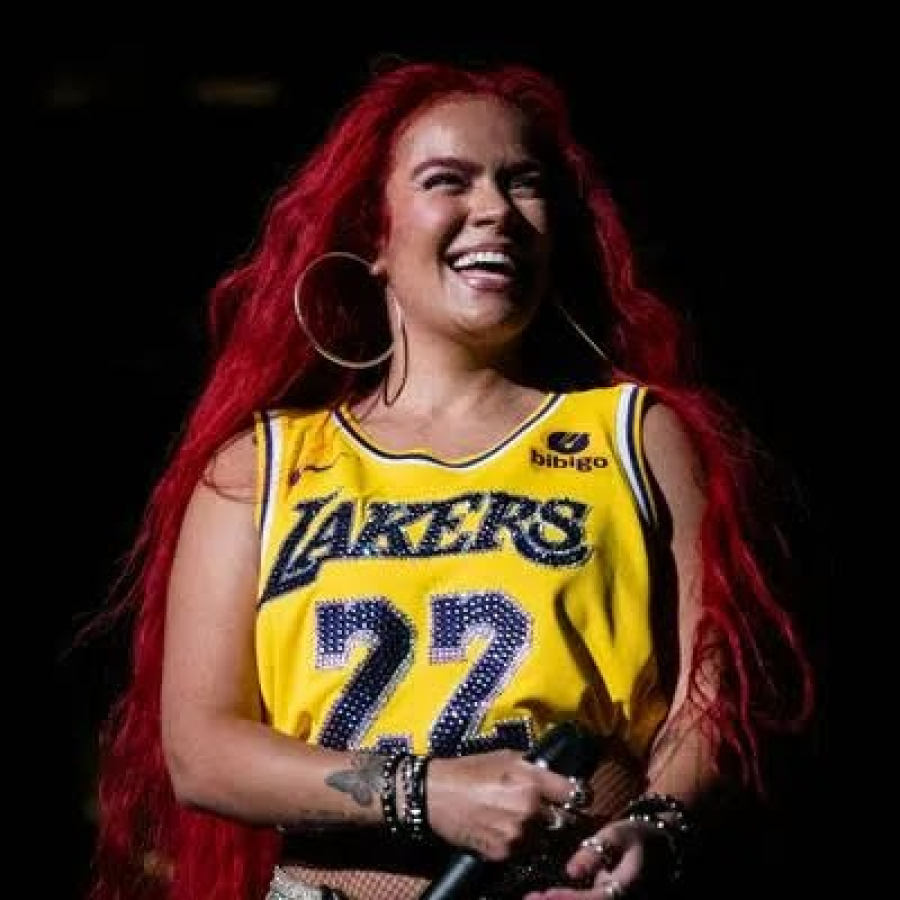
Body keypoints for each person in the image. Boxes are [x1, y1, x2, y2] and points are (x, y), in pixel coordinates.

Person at [87, 58, 815, 900]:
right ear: (374, 235)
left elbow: (713, 698)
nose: (496, 209)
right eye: (448, 180)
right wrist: (427, 793)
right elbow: (202, 752)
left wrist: (657, 826)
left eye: (524, 183)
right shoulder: (260, 465)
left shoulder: (635, 435)